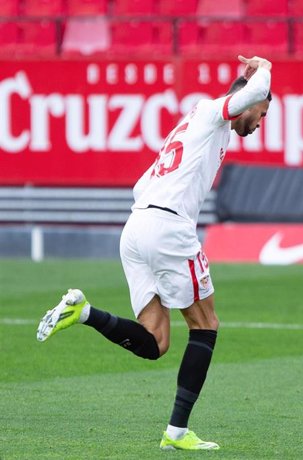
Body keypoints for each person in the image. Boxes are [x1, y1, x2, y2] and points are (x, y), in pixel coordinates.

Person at [36, 55, 273, 451]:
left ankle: (84, 312)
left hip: (136, 228)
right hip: (169, 229)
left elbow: (141, 184)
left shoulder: (195, 124)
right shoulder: (214, 112)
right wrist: (262, 68)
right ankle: (176, 433)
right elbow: (256, 88)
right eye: (261, 114)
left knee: (155, 341)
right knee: (206, 325)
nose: (260, 122)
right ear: (243, 102)